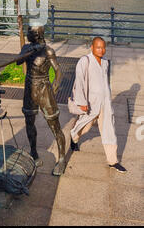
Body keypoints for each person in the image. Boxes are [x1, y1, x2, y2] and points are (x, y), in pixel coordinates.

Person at [70, 37, 127, 173]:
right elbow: (79, 82)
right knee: (85, 126)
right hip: (90, 103)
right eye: (98, 47)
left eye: (103, 47)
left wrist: (108, 99)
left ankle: (113, 161)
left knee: (109, 129)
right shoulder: (85, 61)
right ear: (92, 47)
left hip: (105, 103)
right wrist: (82, 102)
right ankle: (74, 137)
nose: (101, 50)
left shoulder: (105, 62)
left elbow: (105, 83)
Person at [17, 25, 66, 176]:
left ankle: (62, 159)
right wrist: (25, 52)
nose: (27, 34)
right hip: (30, 86)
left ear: (37, 34)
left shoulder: (48, 51)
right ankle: (33, 153)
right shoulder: (26, 48)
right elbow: (18, 62)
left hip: (44, 88)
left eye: (29, 32)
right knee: (29, 121)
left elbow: (58, 71)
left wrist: (54, 88)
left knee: (54, 125)